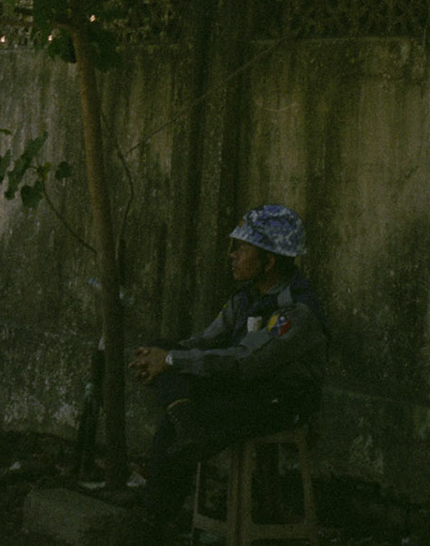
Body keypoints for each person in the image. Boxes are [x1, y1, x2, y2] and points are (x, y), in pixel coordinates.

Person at [124, 204, 328, 542]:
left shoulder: (296, 310)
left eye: (241, 249)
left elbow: (242, 362)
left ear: (270, 261)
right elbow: (205, 342)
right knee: (165, 351)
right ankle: (185, 422)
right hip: (243, 385)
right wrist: (161, 354)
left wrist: (171, 361)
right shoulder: (247, 297)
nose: (231, 255)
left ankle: (155, 518)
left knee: (177, 423)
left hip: (279, 400)